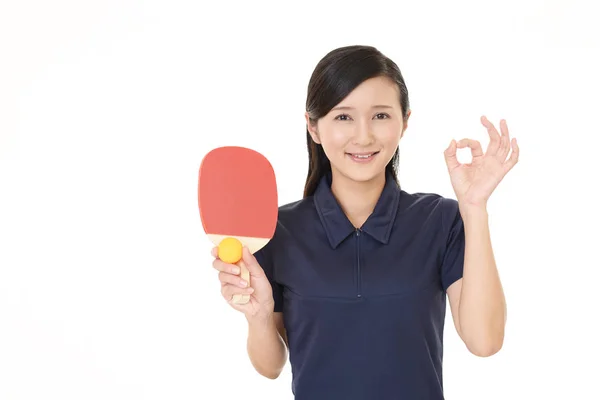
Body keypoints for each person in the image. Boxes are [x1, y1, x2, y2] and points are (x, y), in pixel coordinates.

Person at [211, 45, 519, 399]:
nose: (363, 136)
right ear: (313, 126)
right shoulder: (278, 230)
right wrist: (259, 316)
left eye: (381, 116)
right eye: (343, 117)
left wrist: (475, 207)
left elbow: (485, 341)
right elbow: (271, 366)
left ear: (404, 122)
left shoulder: (441, 220)